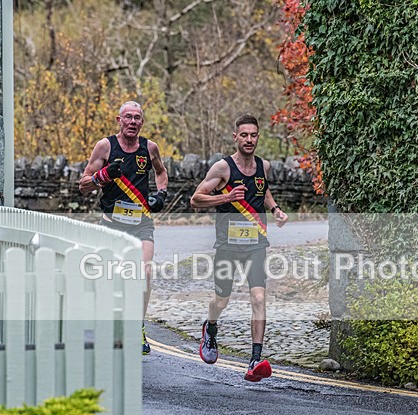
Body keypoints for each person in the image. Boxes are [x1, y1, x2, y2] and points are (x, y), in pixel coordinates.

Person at [190, 114, 289, 382]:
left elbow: (263, 190)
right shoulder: (222, 168)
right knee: (221, 300)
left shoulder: (263, 166)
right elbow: (196, 199)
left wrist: (276, 209)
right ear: (235, 137)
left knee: (258, 298)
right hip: (227, 246)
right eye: (244, 135)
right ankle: (210, 328)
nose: (249, 139)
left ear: (258, 136)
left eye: (253, 135)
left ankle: (255, 360)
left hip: (256, 244)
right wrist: (227, 197)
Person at [79, 101, 169, 355]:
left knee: (144, 273)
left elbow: (161, 172)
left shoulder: (149, 148)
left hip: (141, 224)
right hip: (112, 224)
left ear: (142, 122)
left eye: (137, 118)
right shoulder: (106, 146)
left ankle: (138, 328)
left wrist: (161, 195)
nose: (132, 122)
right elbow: (83, 184)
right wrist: (103, 176)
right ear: (119, 120)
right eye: (127, 117)